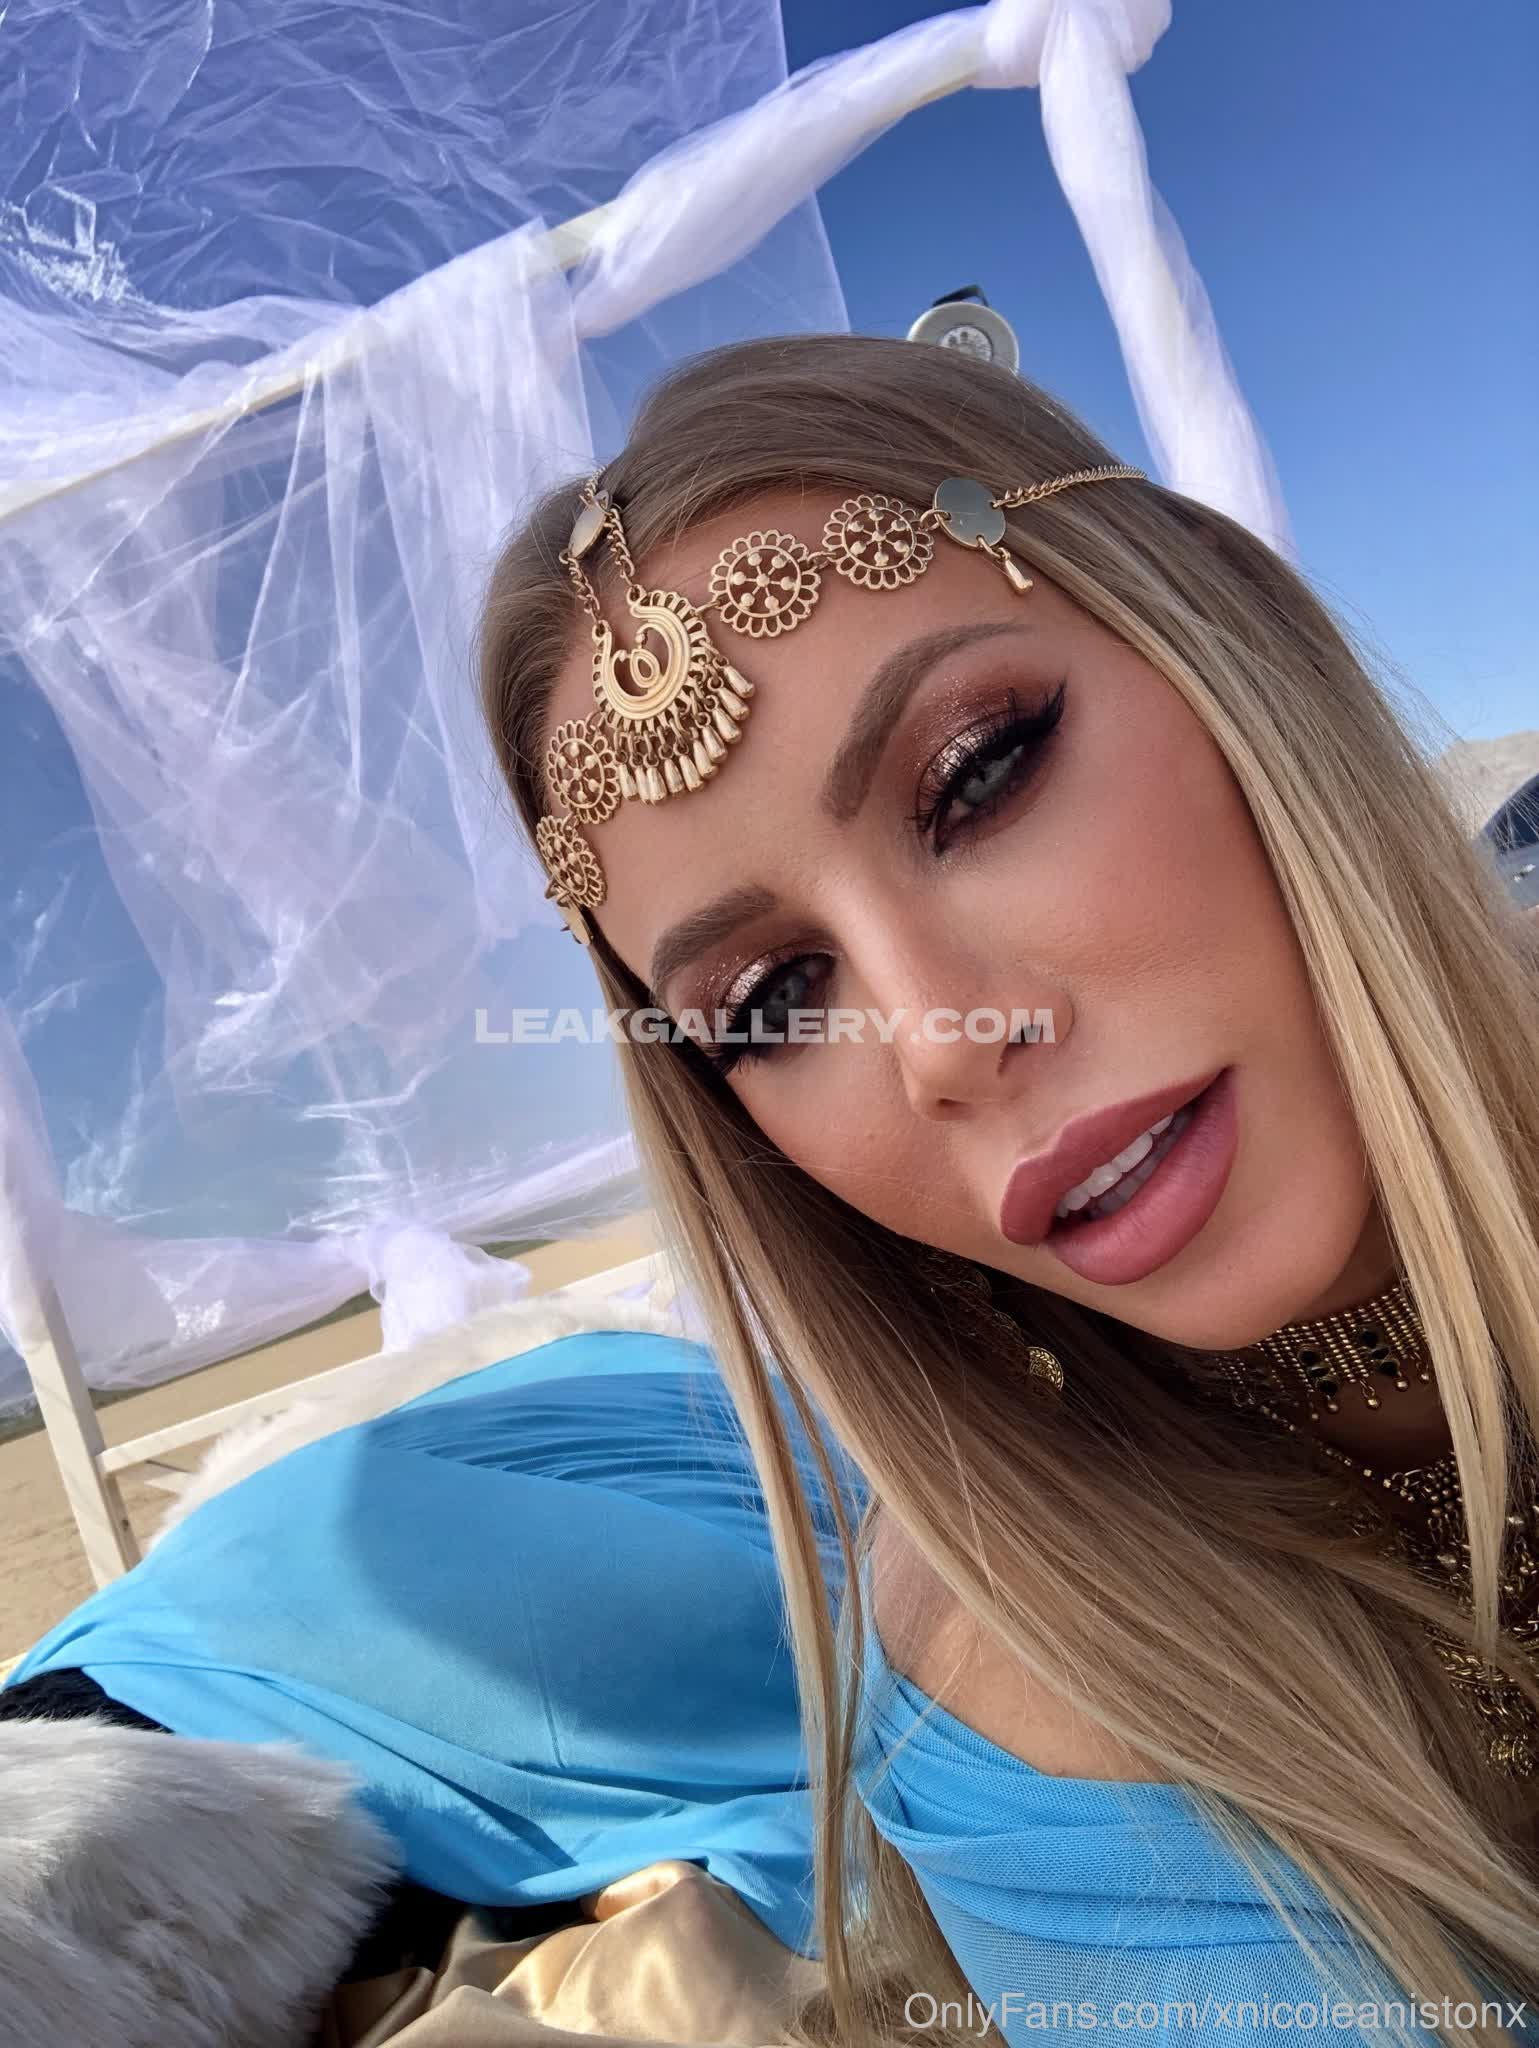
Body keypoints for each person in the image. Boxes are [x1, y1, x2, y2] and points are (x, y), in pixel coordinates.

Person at [476, 333, 1539, 2044]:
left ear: (1230, 640)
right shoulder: (1019, 1687)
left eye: (978, 775)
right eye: (774, 1002)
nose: (942, 1043)